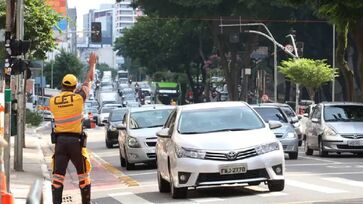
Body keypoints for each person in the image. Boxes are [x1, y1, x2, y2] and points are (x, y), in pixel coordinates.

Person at [49, 52, 97, 204]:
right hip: (76, 143)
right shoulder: (78, 98)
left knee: (57, 178)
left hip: (60, 143)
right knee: (83, 176)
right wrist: (92, 64)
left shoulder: (53, 101)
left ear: (62, 85)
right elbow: (89, 80)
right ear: (75, 86)